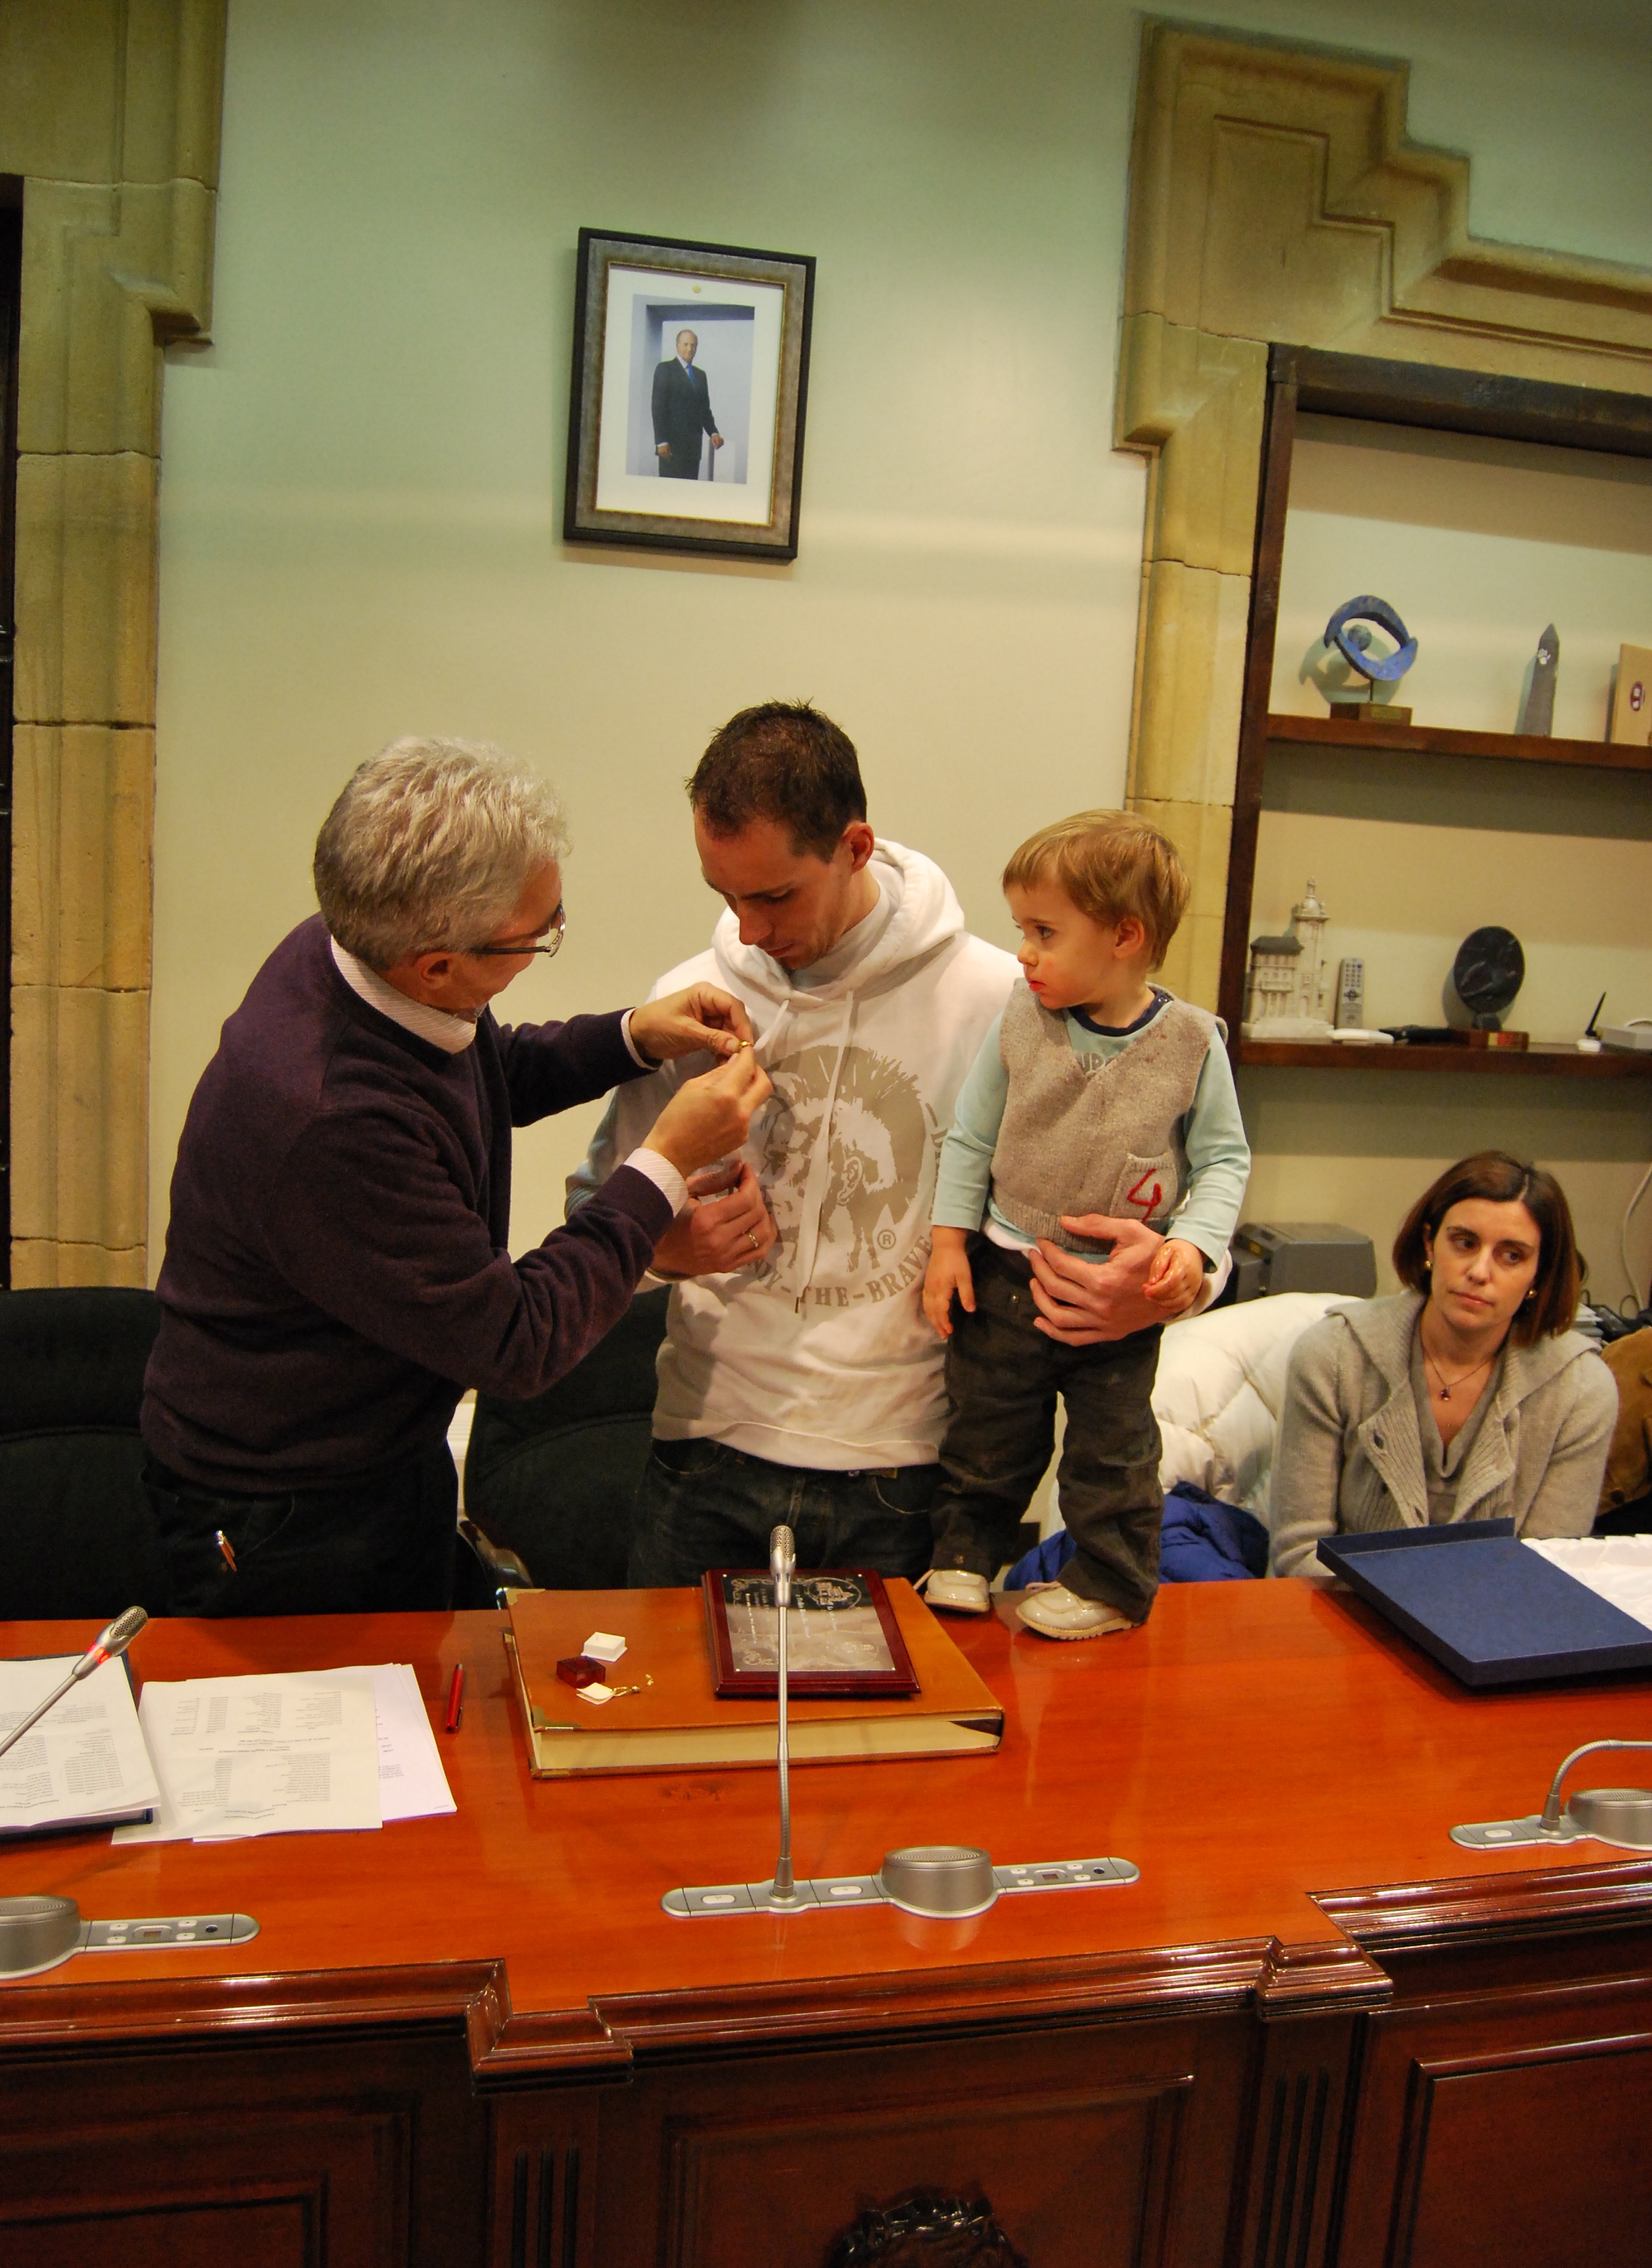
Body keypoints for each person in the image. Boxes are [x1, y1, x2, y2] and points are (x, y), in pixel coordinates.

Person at [141, 737, 770, 1617]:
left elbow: (479, 1069)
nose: (550, 938)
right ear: (435, 963)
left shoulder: (353, 949)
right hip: (284, 1517)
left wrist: (628, 1035)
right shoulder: (328, 1116)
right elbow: (516, 1339)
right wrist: (664, 1163)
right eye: (540, 935)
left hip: (379, 1460)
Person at [569, 700, 1022, 1584]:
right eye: (725, 896)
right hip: (706, 1449)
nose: (749, 929)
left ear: (855, 847)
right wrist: (666, 1249)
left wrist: (1182, 1272)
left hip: (902, 1465)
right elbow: (595, 1213)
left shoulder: (992, 998)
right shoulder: (691, 997)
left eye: (775, 895)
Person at [921, 811, 1250, 1640]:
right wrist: (949, 1242)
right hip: (1008, 1273)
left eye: (1044, 932)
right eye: (1021, 930)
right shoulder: (1020, 1018)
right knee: (987, 1431)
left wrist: (1191, 1247)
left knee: (1114, 1450)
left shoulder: (1193, 1043)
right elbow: (972, 1137)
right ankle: (963, 1557)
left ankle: (1110, 1582)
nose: (1023, 953)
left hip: (1118, 1297)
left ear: (1124, 936)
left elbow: (1223, 1162)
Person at [1269, 1152, 1616, 1578]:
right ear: (1431, 1244)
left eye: (1511, 1256)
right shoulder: (1333, 1355)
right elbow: (1299, 1553)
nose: (1480, 1271)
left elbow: (1547, 1573)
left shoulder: (1582, 1390)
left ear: (1538, 1275)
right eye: (1465, 1243)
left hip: (1496, 1617)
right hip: (1337, 1607)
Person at [651, 328, 724, 480]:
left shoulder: (700, 375)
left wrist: (713, 432)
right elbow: (658, 407)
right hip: (671, 447)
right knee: (670, 490)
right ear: (677, 346)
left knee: (689, 490)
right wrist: (661, 441)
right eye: (685, 344)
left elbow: (704, 409)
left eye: (693, 345)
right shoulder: (665, 369)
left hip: (693, 449)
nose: (689, 349)